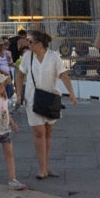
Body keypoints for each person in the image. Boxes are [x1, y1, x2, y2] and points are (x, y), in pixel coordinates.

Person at [14, 30, 76, 180]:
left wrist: (71, 93)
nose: (28, 45)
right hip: (33, 98)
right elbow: (20, 74)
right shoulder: (28, 57)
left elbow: (63, 74)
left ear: (40, 44)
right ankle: (42, 168)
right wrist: (19, 94)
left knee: (48, 132)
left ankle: (46, 166)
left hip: (50, 98)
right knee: (39, 132)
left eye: (31, 42)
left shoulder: (53, 56)